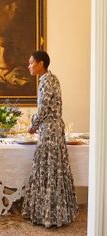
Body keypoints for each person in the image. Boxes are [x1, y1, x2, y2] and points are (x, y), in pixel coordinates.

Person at [21, 50, 78, 227]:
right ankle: (55, 213)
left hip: (50, 131)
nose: (29, 66)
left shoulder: (46, 81)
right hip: (53, 129)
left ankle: (49, 215)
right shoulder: (51, 79)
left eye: (31, 63)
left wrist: (33, 125)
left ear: (41, 64)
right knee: (53, 169)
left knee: (48, 169)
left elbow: (44, 109)